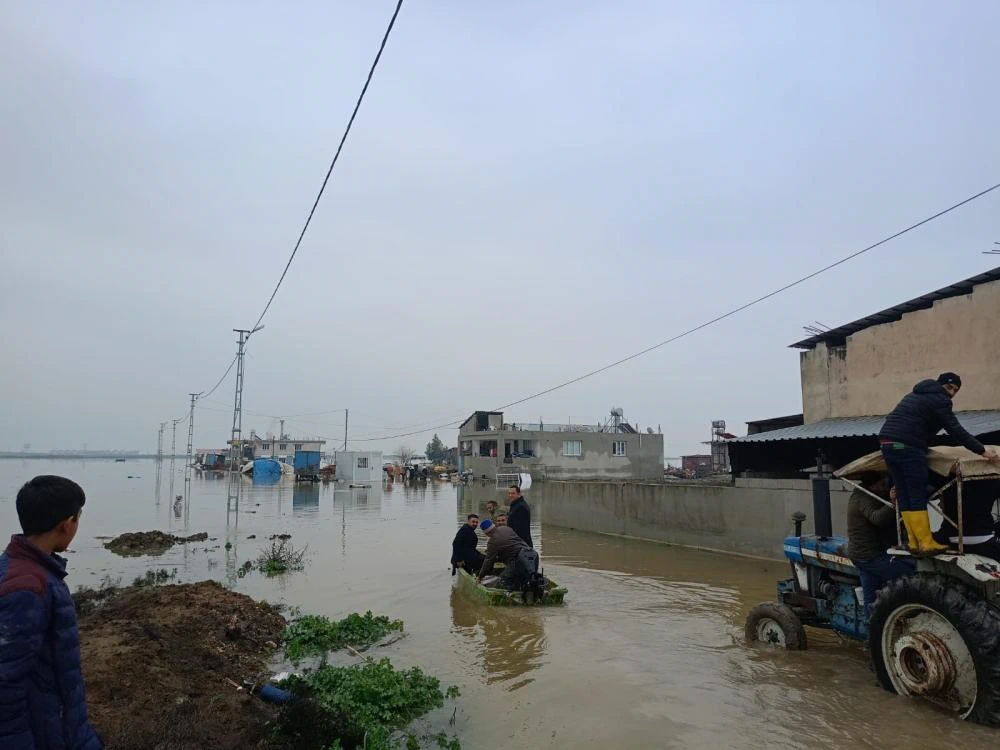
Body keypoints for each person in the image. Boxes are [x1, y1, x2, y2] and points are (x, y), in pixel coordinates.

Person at [0, 476, 103, 750]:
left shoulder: (30, 571)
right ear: (67, 524)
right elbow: (6, 685)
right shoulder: (27, 588)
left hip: (59, 726)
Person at [879, 372, 1000, 554]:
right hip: (909, 446)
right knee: (916, 494)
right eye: (949, 387)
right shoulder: (939, 400)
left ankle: (914, 542)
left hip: (887, 443)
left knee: (904, 493)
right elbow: (955, 429)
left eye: (955, 390)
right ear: (940, 385)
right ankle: (926, 542)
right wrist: (982, 450)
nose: (951, 392)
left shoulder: (914, 396)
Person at [847, 472, 914, 619]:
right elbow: (877, 518)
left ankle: (871, 633)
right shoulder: (863, 497)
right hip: (869, 555)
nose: (885, 487)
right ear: (873, 485)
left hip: (867, 553)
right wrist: (892, 502)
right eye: (883, 484)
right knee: (911, 575)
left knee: (870, 600)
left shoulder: (873, 493)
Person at [932, 475, 1000, 561]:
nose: (939, 504)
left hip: (950, 537)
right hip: (985, 538)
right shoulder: (993, 476)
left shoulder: (947, 474)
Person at [477, 519, 539, 590]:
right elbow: (510, 546)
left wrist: (480, 577)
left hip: (518, 561)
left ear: (486, 533)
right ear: (494, 525)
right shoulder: (506, 528)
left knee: (502, 581)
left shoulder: (492, 542)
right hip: (533, 555)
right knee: (530, 579)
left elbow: (488, 561)